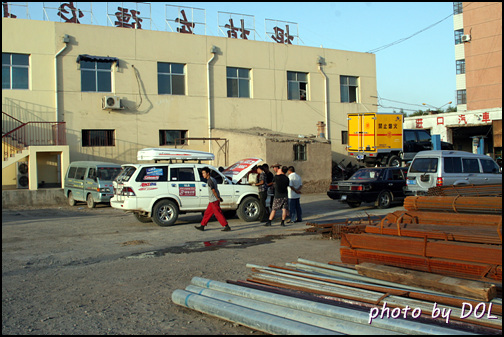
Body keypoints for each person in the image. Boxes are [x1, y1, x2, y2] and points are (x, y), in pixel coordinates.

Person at [195, 167, 231, 232]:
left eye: (204, 173)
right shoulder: (212, 179)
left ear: (208, 173)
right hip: (212, 200)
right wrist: (219, 197)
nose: (203, 174)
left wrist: (218, 198)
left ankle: (226, 226)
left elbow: (214, 190)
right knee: (207, 213)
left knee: (218, 214)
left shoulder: (210, 181)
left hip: (214, 200)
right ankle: (202, 226)